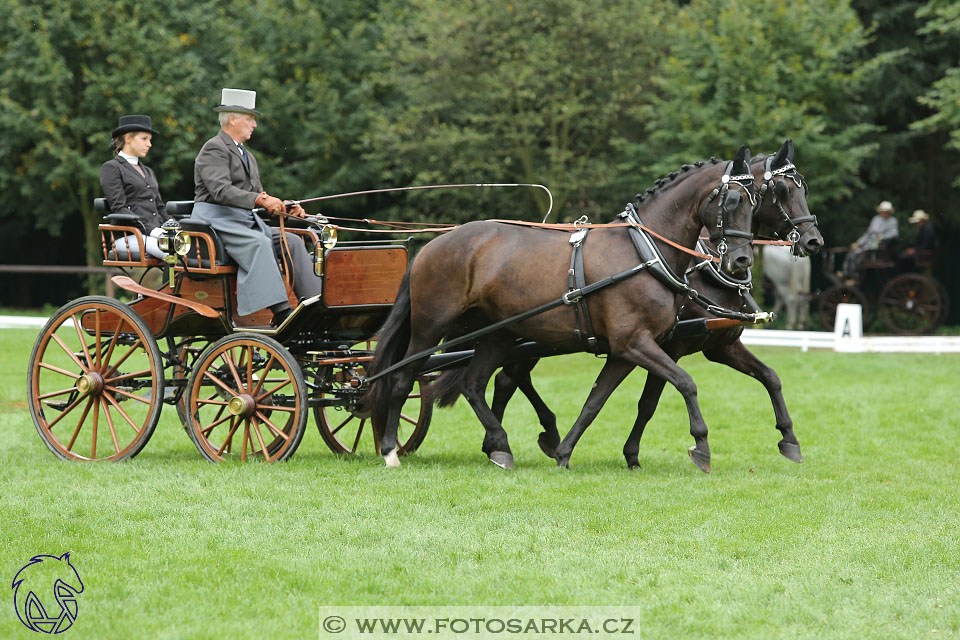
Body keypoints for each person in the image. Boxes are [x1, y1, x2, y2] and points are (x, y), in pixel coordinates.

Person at [192, 88, 322, 326]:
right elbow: (220, 190)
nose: (254, 125)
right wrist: (262, 200)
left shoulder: (248, 156)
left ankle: (315, 304)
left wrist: (284, 209)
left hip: (243, 221)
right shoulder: (214, 148)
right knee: (259, 242)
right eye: (250, 119)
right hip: (215, 221)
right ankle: (282, 312)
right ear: (233, 118)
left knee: (291, 240)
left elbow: (257, 200)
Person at [99, 114, 171, 260]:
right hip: (129, 236)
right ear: (128, 138)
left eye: (149, 140)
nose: (149, 144)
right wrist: (152, 231)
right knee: (173, 251)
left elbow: (160, 207)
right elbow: (120, 208)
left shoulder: (148, 171)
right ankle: (174, 283)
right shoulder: (112, 168)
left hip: (155, 234)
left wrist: (173, 227)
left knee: (189, 246)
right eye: (144, 139)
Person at [842, 200, 900, 280]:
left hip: (878, 245)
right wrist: (858, 243)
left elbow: (894, 234)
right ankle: (846, 274)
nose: (884, 213)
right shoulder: (876, 219)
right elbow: (868, 233)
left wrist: (882, 237)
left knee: (858, 253)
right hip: (869, 242)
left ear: (889, 212)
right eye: (883, 211)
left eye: (886, 212)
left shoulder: (892, 221)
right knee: (852, 251)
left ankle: (855, 276)